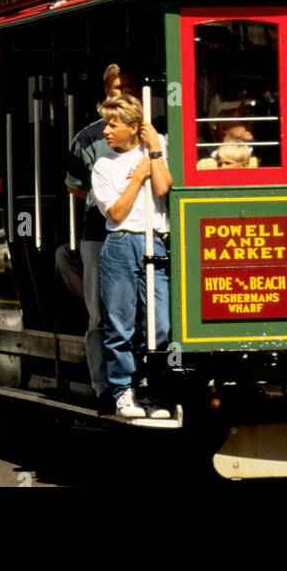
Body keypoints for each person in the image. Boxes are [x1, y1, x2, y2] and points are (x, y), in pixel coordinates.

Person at [91, 94, 172, 420]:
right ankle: (123, 390)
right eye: (106, 124)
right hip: (122, 244)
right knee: (120, 324)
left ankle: (150, 389)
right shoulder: (104, 166)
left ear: (134, 127)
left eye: (114, 124)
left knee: (159, 325)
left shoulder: (157, 147)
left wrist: (154, 151)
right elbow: (117, 212)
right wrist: (137, 178)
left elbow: (164, 189)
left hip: (156, 242)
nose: (106, 131)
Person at [63, 64, 138, 411]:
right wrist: (105, 197)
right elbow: (73, 186)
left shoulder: (154, 132)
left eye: (125, 87)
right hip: (98, 232)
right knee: (100, 312)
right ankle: (103, 386)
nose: (119, 94)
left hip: (141, 231)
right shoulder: (88, 136)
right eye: (113, 89)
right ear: (105, 91)